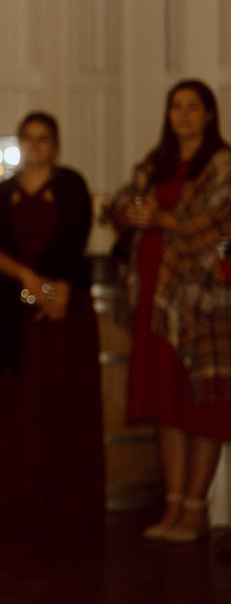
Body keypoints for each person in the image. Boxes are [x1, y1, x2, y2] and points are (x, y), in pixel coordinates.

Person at [112, 79, 231, 543]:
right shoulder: (154, 164)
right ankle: (173, 503)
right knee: (167, 404)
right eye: (175, 106)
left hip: (204, 302)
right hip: (157, 302)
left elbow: (223, 228)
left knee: (200, 405)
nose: (181, 114)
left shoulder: (222, 164)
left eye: (192, 107)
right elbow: (124, 206)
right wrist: (127, 213)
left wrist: (164, 220)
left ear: (208, 115)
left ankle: (197, 508)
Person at [0, 112, 105, 532]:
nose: (35, 146)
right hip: (18, 302)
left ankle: (68, 504)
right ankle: (16, 501)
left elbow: (75, 234)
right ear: (18, 143)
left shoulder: (71, 184)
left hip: (65, 302)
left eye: (43, 138)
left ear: (55, 144)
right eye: (27, 138)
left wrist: (59, 291)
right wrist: (31, 282)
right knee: (19, 405)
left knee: (65, 403)